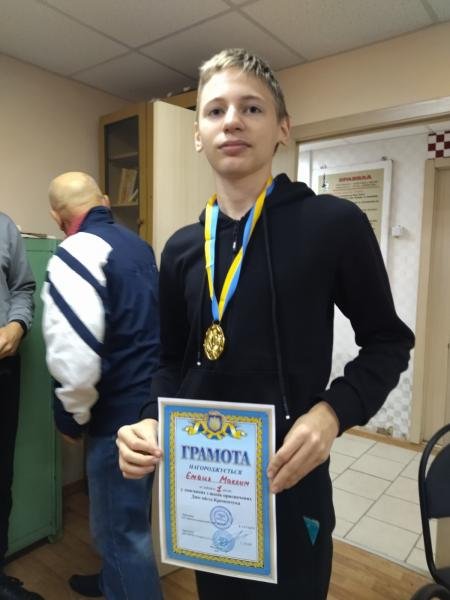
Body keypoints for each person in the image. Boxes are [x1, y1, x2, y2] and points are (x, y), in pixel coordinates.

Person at [116, 49, 415, 599]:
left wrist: (331, 413)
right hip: (204, 490)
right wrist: (148, 419)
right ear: (198, 136)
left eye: (251, 108)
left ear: (282, 128)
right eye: (215, 111)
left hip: (290, 484)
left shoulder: (332, 224)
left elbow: (389, 342)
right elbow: (170, 361)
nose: (232, 121)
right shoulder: (182, 249)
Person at [41, 172, 162, 600]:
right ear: (105, 201)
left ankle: (123, 582)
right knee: (131, 519)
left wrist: (70, 418)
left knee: (119, 534)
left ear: (56, 217)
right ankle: (114, 580)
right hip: (150, 408)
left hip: (116, 419)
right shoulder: (138, 245)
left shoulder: (74, 252)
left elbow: (73, 355)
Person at [0, 213, 42, 600]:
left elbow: (23, 287)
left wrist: (17, 325)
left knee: (1, 477)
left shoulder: (4, 227)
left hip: (3, 370)